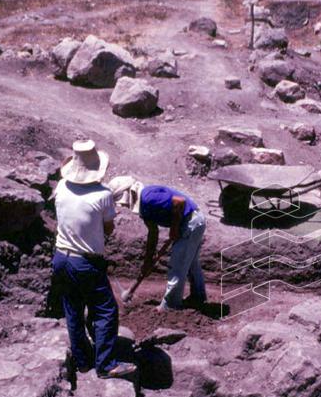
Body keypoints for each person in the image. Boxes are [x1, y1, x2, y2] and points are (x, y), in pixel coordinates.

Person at [52, 140, 135, 379]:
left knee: (73, 309)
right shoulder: (103, 194)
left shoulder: (61, 187)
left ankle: (82, 360)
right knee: (105, 310)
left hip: (61, 257)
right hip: (85, 261)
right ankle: (106, 364)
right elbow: (108, 229)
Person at [108, 177, 206, 311]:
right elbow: (153, 232)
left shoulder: (148, 197)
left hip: (191, 222)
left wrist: (174, 228)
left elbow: (179, 202)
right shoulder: (144, 207)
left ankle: (171, 305)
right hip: (190, 222)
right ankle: (198, 297)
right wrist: (147, 261)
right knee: (190, 263)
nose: (123, 206)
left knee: (178, 265)